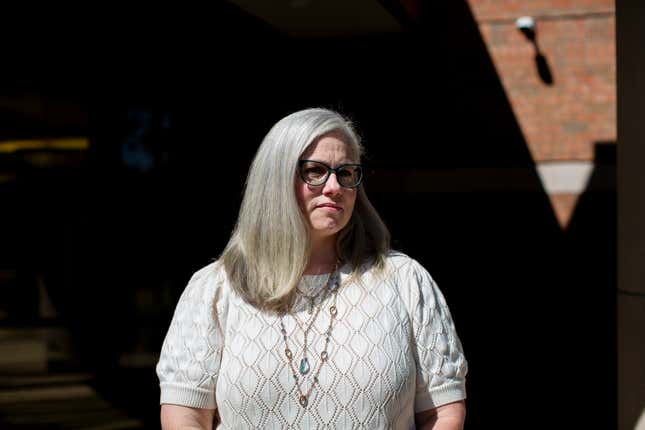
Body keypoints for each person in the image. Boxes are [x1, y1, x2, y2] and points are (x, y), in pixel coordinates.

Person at [156, 108, 468, 429]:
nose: (335, 186)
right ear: (274, 178)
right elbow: (186, 414)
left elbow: (440, 411)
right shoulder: (216, 288)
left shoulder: (405, 281)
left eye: (346, 173)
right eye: (315, 171)